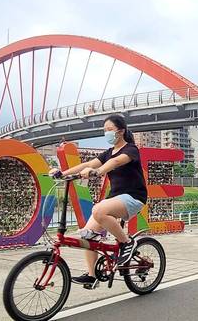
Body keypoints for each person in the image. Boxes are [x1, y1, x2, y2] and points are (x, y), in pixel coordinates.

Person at [48, 114, 147, 288]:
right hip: (115, 198)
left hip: (133, 197)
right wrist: (63, 174)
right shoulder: (107, 152)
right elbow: (89, 163)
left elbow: (116, 162)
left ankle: (127, 243)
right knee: (87, 235)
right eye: (104, 130)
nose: (106, 133)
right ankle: (92, 275)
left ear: (121, 131)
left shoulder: (131, 149)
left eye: (110, 130)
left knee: (98, 210)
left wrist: (99, 171)